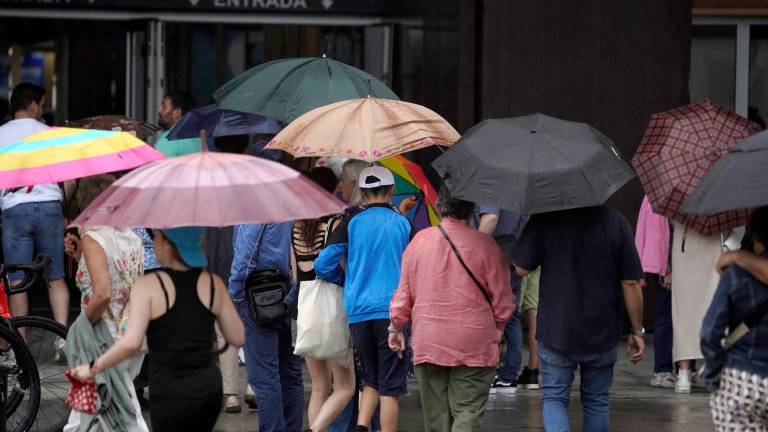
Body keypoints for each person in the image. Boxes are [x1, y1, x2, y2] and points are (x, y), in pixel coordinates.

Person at [71, 226, 245, 431]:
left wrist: (92, 368)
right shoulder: (213, 284)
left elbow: (131, 342)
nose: (153, 242)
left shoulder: (150, 285)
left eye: (158, 237)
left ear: (169, 245)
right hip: (207, 385)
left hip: (170, 388)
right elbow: (237, 336)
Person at [389, 187, 515, 432]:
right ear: (470, 210)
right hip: (475, 341)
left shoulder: (419, 241)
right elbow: (504, 300)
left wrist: (395, 327)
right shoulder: (487, 246)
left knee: (436, 418)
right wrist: (498, 328)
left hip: (430, 339)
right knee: (467, 411)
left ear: (438, 206)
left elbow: (404, 294)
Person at [513, 205, 645, 431]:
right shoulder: (616, 222)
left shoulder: (546, 217)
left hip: (557, 328)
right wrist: (637, 329)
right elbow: (630, 283)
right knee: (597, 401)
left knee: (555, 398)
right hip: (602, 329)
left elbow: (521, 268)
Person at [315, 166, 413, 432]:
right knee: (390, 386)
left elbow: (323, 264)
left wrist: (347, 282)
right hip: (393, 313)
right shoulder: (402, 222)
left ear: (363, 192)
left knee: (371, 378)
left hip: (358, 312)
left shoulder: (351, 220)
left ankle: (360, 427)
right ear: (392, 191)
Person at [62, 174, 149, 432]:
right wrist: (81, 257)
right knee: (106, 407)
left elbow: (102, 293)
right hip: (130, 332)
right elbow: (115, 276)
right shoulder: (131, 236)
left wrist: (82, 325)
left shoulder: (94, 237)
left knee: (105, 411)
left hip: (103, 336)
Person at [0, 83, 70, 345]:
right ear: (32, 105)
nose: (41, 110)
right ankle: (62, 336)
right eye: (41, 105)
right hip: (50, 205)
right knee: (56, 276)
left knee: (16, 279)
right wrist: (65, 208)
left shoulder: (1, 134)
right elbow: (67, 179)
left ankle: (20, 342)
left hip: (14, 208)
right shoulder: (50, 133)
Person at [292, 167, 356, 432]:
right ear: (331, 189)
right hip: (332, 304)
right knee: (345, 386)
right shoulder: (335, 224)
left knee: (318, 386)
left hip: (306, 305)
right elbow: (340, 266)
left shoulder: (296, 224)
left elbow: (294, 273)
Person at [230, 218, 303, 432]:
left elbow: (246, 255)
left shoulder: (254, 208)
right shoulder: (286, 204)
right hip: (285, 290)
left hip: (256, 296)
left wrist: (234, 295)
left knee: (265, 377)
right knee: (290, 373)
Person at [701, 207, 768, 430]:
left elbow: (710, 334)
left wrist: (713, 372)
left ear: (756, 236)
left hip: (741, 378)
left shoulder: (736, 276)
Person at [670, 222, 743, 393]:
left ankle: (684, 373)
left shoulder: (682, 198)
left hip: (689, 242)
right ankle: (709, 371)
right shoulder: (721, 196)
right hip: (708, 239)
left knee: (687, 309)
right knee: (708, 307)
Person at [474, 205, 526, 393]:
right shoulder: (517, 185)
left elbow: (490, 218)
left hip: (495, 256)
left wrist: (472, 250)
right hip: (515, 255)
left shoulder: (492, 183)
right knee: (511, 316)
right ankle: (508, 374)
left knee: (489, 315)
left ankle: (493, 371)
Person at [634, 196, 675, 388]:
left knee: (671, 314)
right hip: (665, 264)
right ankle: (663, 370)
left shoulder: (653, 193)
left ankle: (679, 369)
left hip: (664, 261)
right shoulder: (660, 195)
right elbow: (662, 233)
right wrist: (667, 265)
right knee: (667, 314)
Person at [154, 91, 201, 157]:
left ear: (177, 113)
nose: (159, 110)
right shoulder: (198, 138)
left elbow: (153, 165)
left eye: (164, 106)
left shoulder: (170, 139)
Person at [518, 266, 541, 389]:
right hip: (537, 262)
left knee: (510, 313)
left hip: (516, 261)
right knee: (534, 313)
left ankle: (503, 373)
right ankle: (533, 372)